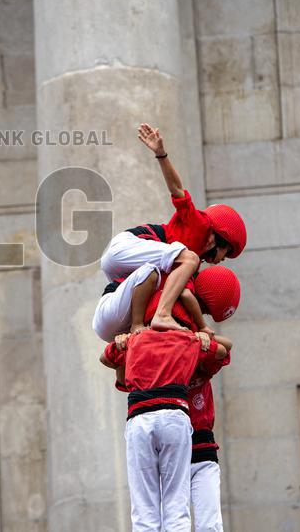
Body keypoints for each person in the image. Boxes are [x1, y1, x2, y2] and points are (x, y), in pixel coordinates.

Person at [104, 266, 239, 531]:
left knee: (167, 517)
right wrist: (196, 331)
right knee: (171, 514)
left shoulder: (179, 341)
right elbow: (122, 380)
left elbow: (224, 348)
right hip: (176, 427)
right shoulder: (171, 341)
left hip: (198, 445)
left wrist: (198, 332)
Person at [93, 123, 246, 340]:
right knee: (189, 259)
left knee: (156, 286)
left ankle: (139, 326)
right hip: (125, 247)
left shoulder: (186, 267)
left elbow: (182, 293)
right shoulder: (199, 225)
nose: (222, 260)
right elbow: (176, 189)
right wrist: (161, 154)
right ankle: (162, 315)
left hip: (120, 290)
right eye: (226, 252)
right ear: (219, 238)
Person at [101, 328, 229, 531]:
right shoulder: (152, 352)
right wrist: (124, 340)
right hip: (170, 447)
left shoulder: (191, 348)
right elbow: (119, 371)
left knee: (208, 524)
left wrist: (201, 333)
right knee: (166, 514)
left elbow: (225, 348)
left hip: (200, 451)